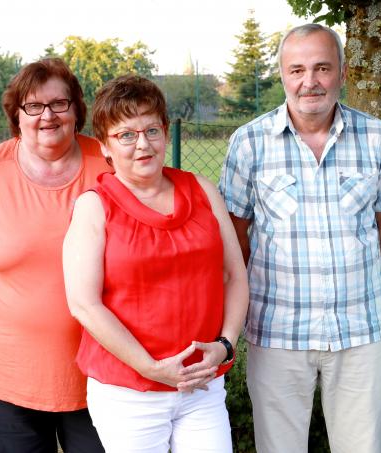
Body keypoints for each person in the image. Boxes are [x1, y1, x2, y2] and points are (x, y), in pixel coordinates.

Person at [219, 24, 381, 453]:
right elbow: (236, 240)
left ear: (341, 73)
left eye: (322, 67)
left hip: (359, 330)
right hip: (278, 330)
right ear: (282, 75)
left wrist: (343, 267)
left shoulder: (377, 137)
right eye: (297, 69)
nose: (310, 81)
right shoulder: (248, 143)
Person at [62, 74, 249, 453]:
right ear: (106, 147)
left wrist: (225, 345)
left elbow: (234, 276)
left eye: (151, 129)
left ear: (165, 132)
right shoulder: (94, 206)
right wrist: (150, 367)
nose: (142, 144)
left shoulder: (201, 190)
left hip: (201, 385)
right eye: (126, 135)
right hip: (130, 393)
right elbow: (84, 303)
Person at [0, 58, 108, 452]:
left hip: (99, 367)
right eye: (34, 106)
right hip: (8, 367)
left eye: (59, 103)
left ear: (76, 109)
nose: (47, 115)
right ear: (17, 115)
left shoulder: (107, 164)